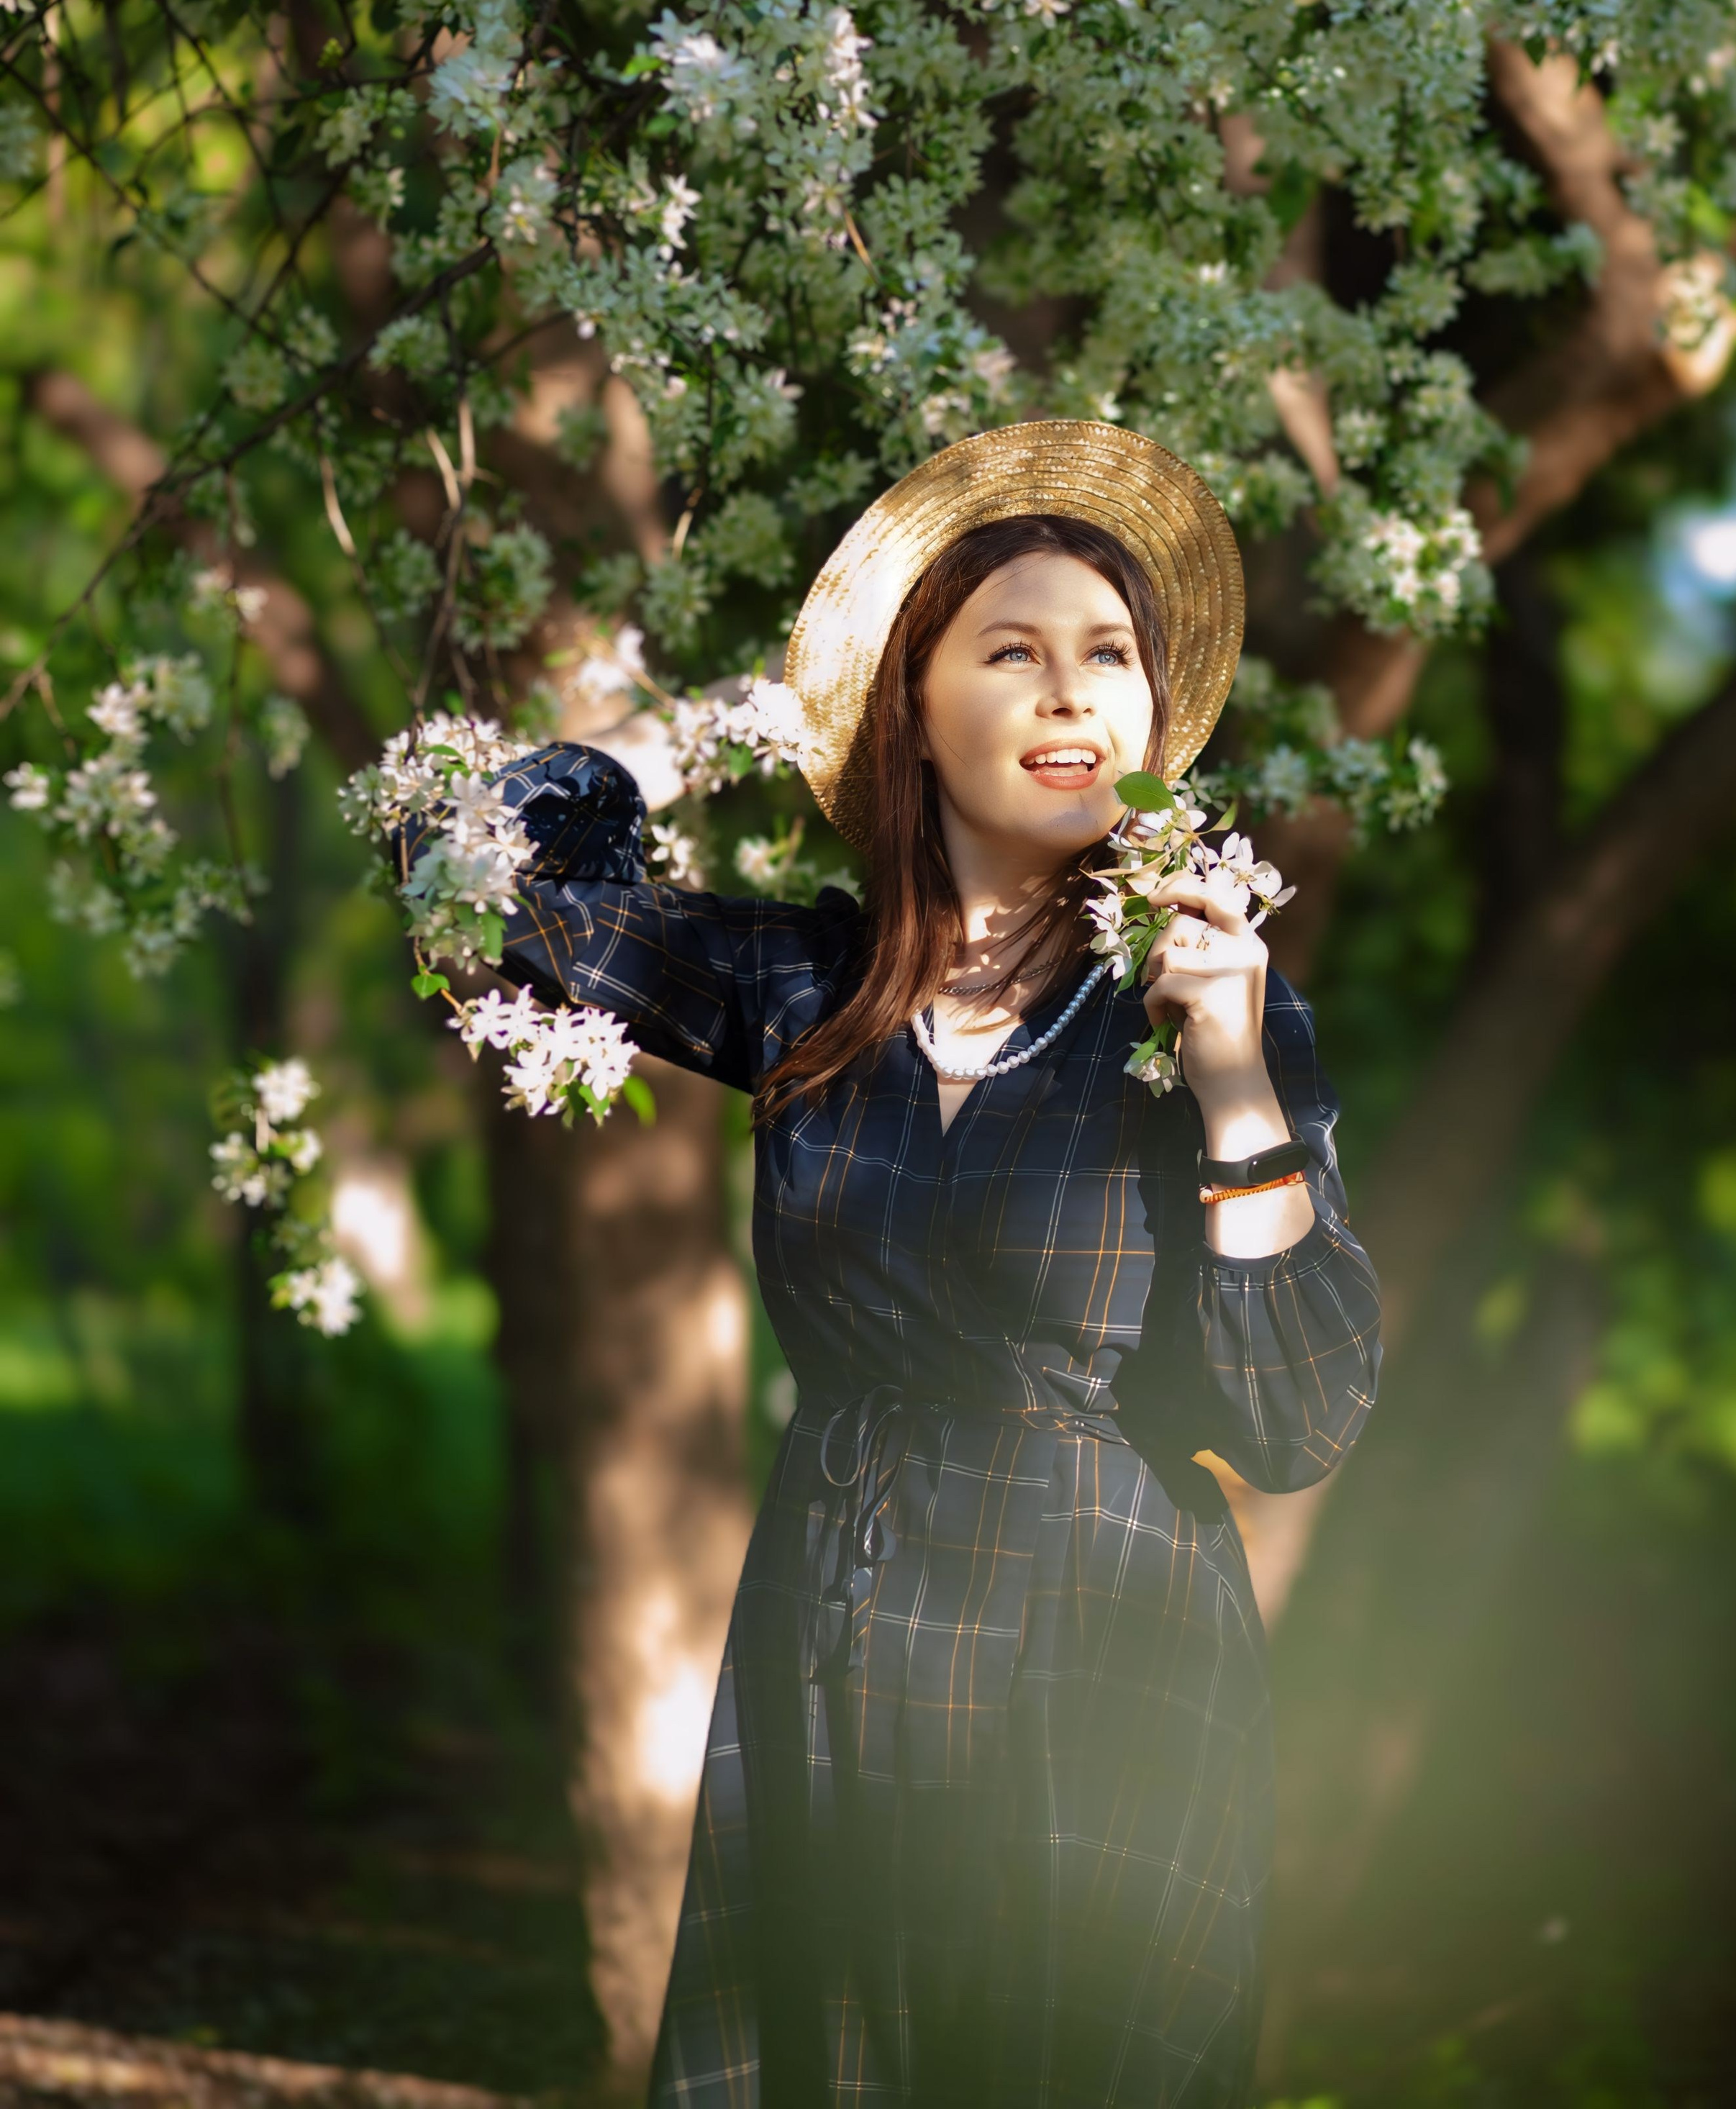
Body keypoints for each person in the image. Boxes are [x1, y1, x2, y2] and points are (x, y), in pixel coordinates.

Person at [477, 421, 1381, 2109]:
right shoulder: (811, 984)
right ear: (912, 706)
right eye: (1011, 654)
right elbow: (479, 890)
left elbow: (1296, 1419)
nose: (1069, 697)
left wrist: (1235, 1083)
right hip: (837, 1611)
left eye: (1107, 656)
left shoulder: (1195, 1007)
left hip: (1104, 1645)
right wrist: (714, 730)